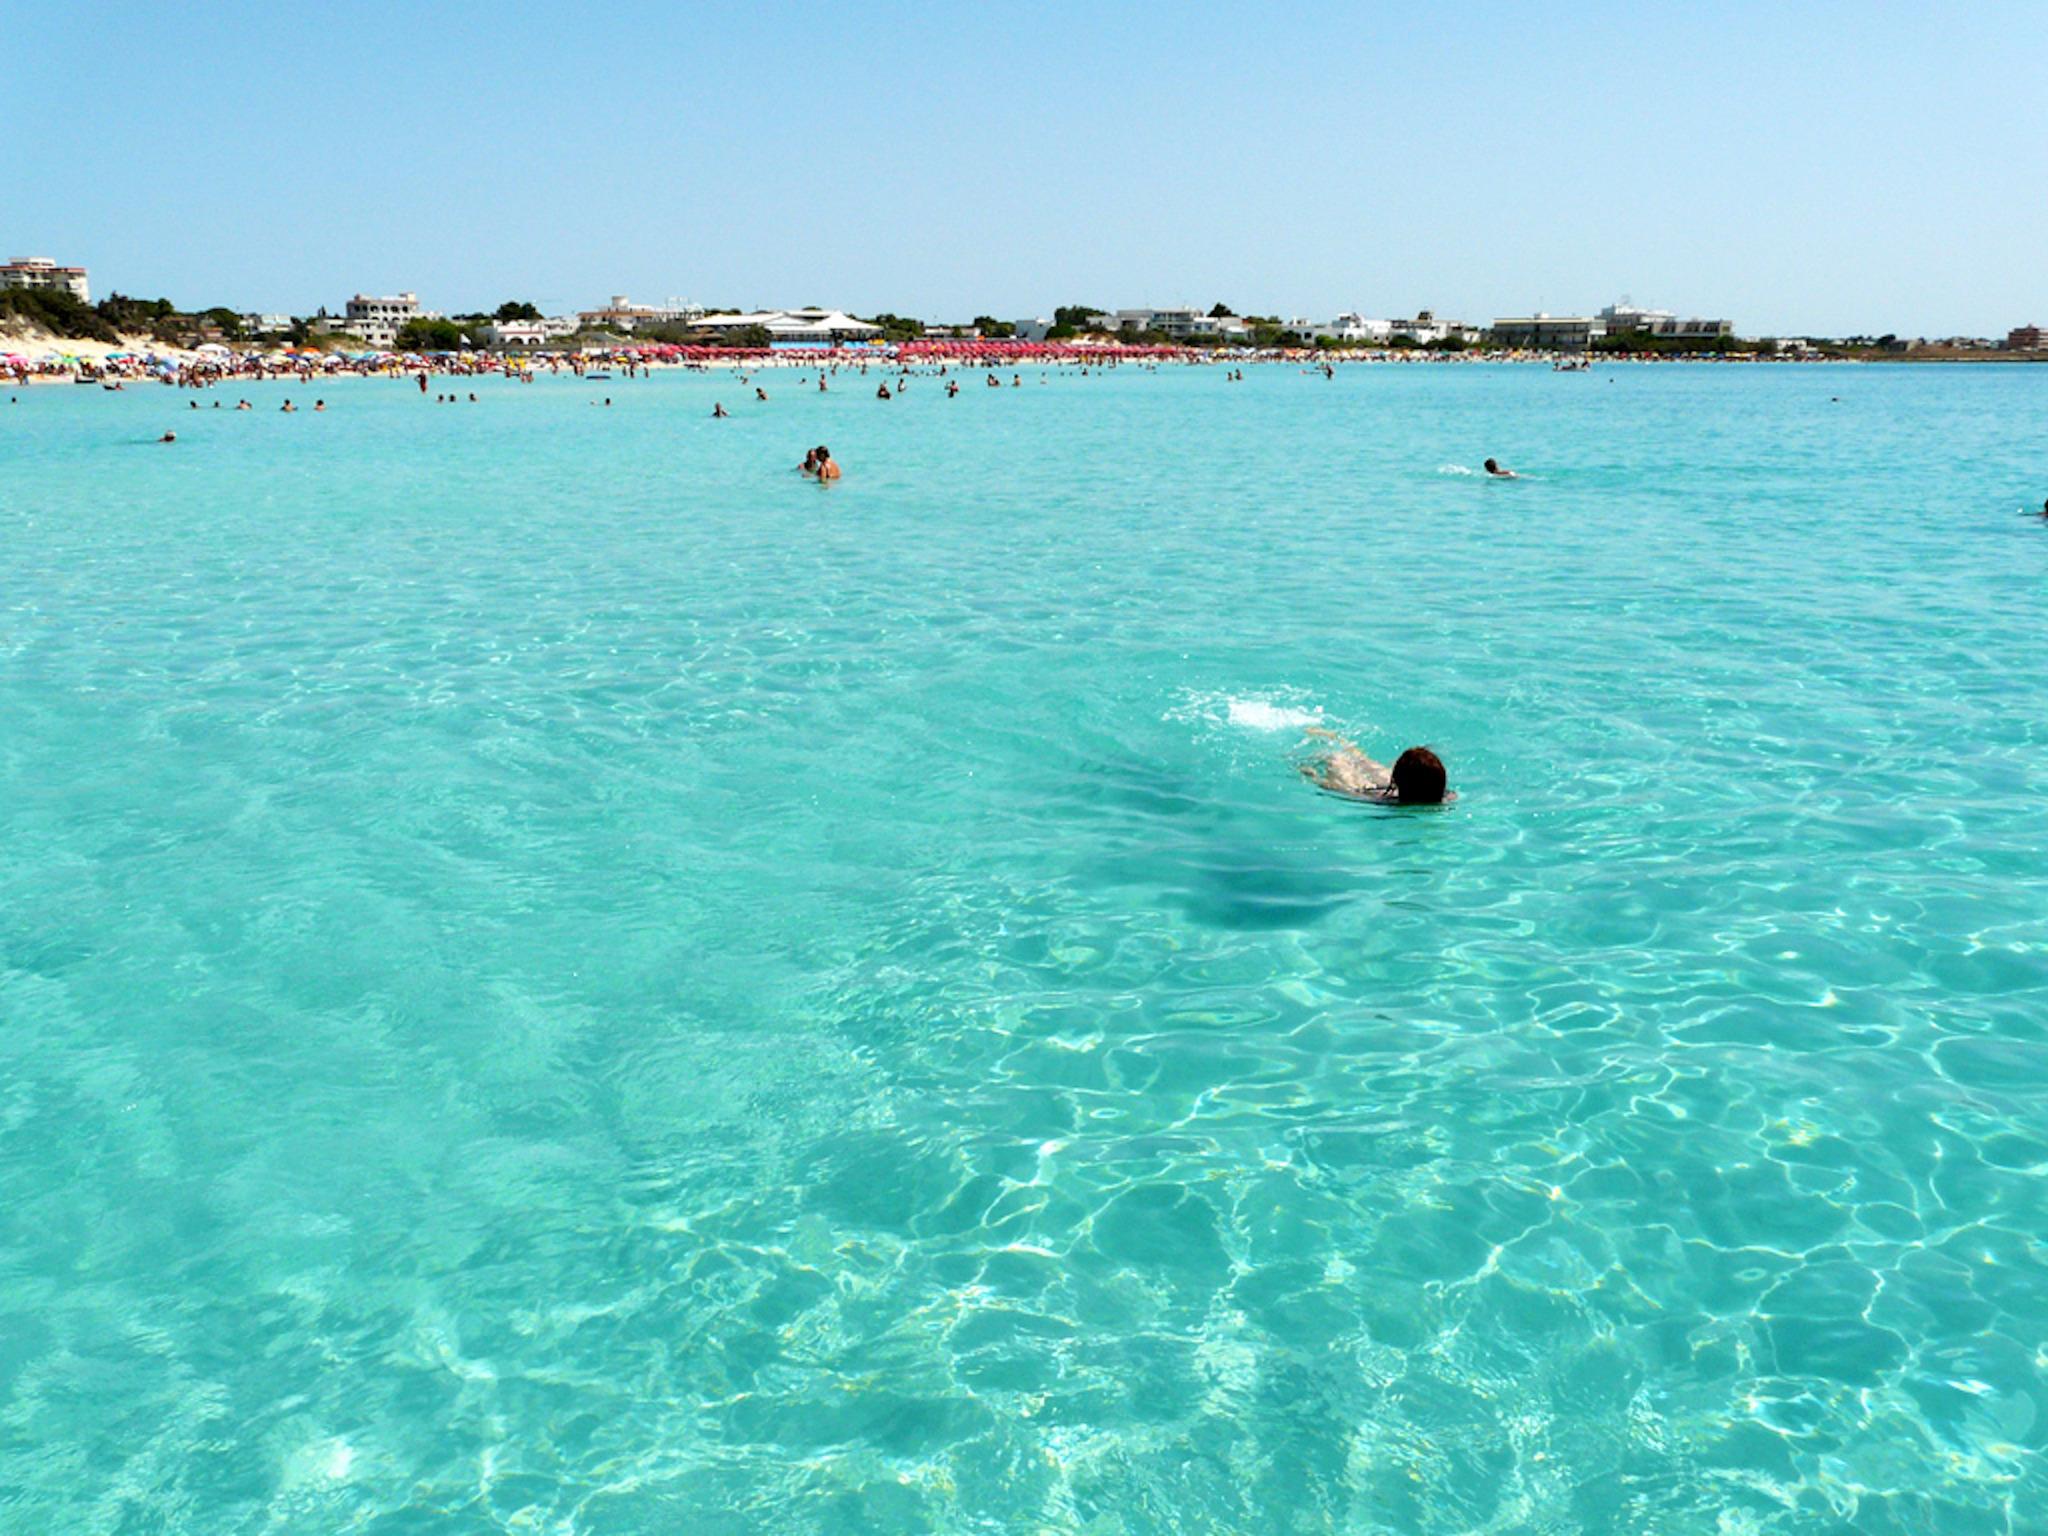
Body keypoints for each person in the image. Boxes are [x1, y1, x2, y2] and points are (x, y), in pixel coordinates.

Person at [1299, 729, 1452, 805]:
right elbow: (1336, 788)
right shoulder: (1448, 798)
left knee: (1344, 759)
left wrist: (1314, 777)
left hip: (1380, 790)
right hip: (1382, 790)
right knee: (1339, 761)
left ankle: (1341, 742)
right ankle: (1339, 742)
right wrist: (1314, 777)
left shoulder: (1450, 796)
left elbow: (1337, 789)